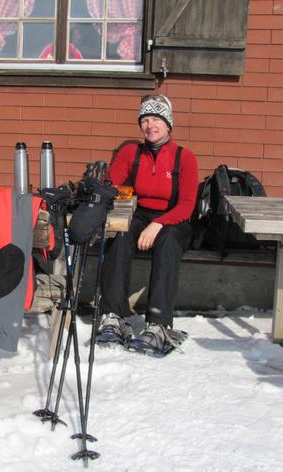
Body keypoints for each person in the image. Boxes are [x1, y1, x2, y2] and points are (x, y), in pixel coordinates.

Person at [96, 94, 198, 356]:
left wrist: (158, 225)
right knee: (119, 234)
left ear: (168, 124)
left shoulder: (184, 158)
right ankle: (113, 316)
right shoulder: (132, 152)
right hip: (139, 213)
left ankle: (159, 324)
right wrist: (108, 187)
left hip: (174, 219)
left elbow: (186, 205)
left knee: (167, 241)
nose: (151, 125)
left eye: (156, 119)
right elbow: (111, 184)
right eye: (145, 120)